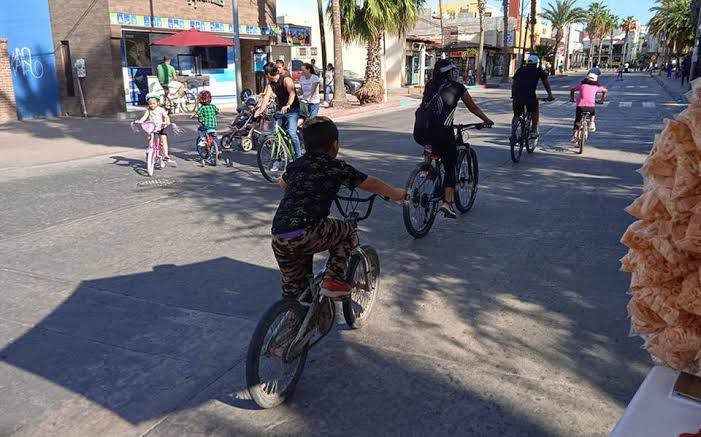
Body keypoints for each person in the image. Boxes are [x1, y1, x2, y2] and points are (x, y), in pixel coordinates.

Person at [271, 117, 407, 298]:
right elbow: (372, 184)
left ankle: (293, 318)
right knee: (347, 232)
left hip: (279, 235)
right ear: (335, 145)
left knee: (296, 289)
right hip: (307, 231)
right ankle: (333, 279)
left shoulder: (297, 165)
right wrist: (396, 194)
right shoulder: (336, 168)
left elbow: (283, 183)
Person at [414, 59, 493, 219]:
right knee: (450, 165)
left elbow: (426, 107)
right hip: (443, 134)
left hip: (420, 132)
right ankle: (447, 204)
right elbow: (473, 107)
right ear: (449, 73)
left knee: (431, 142)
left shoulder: (430, 85)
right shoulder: (457, 87)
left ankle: (426, 168)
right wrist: (486, 120)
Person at [256, 62, 303, 159]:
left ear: (268, 74)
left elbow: (292, 93)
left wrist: (288, 105)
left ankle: (299, 157)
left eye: (265, 74)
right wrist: (259, 111)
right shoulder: (270, 84)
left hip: (292, 110)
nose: (265, 76)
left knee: (291, 132)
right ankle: (281, 156)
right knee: (275, 133)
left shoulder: (286, 79)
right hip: (281, 111)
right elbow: (266, 98)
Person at [512, 54, 554, 140]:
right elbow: (545, 83)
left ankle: (513, 131)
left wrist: (513, 95)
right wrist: (550, 95)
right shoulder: (538, 70)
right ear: (536, 63)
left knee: (516, 115)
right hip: (530, 97)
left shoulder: (520, 70)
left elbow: (514, 84)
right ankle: (534, 130)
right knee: (535, 110)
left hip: (517, 97)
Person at [569, 72, 608, 143]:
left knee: (577, 121)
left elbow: (572, 89)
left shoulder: (582, 85)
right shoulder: (596, 87)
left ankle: (575, 136)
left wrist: (572, 98)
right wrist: (602, 100)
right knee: (592, 113)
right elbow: (605, 90)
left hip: (580, 106)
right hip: (590, 106)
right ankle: (592, 123)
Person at [137, 94, 172, 162]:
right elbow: (145, 116)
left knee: (164, 139)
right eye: (150, 104)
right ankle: (150, 148)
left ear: (158, 103)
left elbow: (166, 116)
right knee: (150, 137)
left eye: (154, 103)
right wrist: (140, 121)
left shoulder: (161, 109)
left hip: (161, 127)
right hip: (152, 127)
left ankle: (166, 154)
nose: (152, 105)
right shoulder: (149, 110)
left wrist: (167, 121)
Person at [194, 90, 220, 164]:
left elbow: (197, 114)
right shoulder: (213, 106)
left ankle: (202, 140)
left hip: (206, 125)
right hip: (214, 125)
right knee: (214, 137)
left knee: (200, 129)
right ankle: (218, 149)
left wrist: (194, 116)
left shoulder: (202, 108)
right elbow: (217, 111)